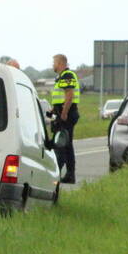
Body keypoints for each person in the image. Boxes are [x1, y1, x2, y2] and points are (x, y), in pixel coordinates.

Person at [49, 54, 80, 184]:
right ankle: (69, 174)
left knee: (61, 144)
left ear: (60, 63)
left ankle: (57, 174)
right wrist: (53, 109)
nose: (53, 65)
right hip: (62, 112)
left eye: (54, 62)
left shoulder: (67, 75)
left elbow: (69, 95)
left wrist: (64, 113)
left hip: (67, 113)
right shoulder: (62, 77)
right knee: (66, 145)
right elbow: (61, 96)